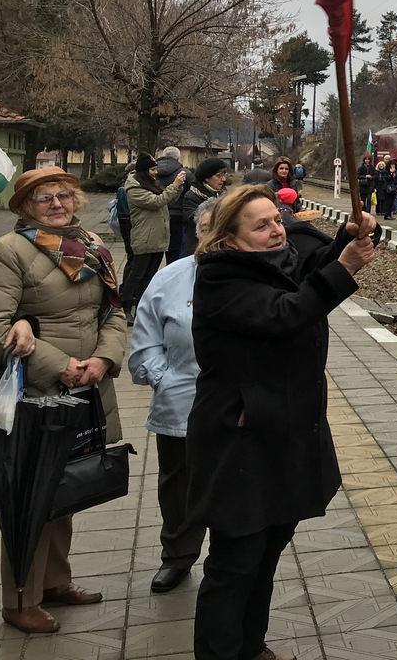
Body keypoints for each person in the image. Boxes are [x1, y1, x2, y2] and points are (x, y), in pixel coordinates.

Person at [188, 185, 377, 660]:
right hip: (241, 441)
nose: (277, 230)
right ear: (229, 239)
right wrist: (347, 266)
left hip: (285, 435)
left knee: (267, 553)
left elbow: (307, 276)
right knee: (235, 563)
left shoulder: (278, 261)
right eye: (262, 225)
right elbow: (285, 313)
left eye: (277, 219)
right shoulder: (220, 278)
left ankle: (252, 647)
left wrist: (343, 241)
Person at [0, 167, 129, 634]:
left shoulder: (88, 244)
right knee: (30, 495)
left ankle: (55, 582)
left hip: (87, 386)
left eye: (64, 194)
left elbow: (113, 311)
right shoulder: (9, 251)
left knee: (65, 489)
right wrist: (60, 365)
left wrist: (103, 359)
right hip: (37, 395)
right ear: (24, 207)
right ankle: (19, 600)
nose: (57, 204)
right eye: (43, 198)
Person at [129, 195, 219, 594]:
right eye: (205, 230)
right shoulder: (170, 277)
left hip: (240, 408)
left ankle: (228, 558)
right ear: (196, 232)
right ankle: (178, 556)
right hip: (180, 401)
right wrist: (163, 378)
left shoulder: (258, 278)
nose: (213, 239)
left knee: (232, 484)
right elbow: (145, 340)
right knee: (177, 485)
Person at [122, 154, 187, 320]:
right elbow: (157, 201)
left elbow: (167, 201)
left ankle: (142, 307)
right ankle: (125, 306)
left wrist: (177, 188)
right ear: (144, 171)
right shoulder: (134, 189)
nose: (155, 173)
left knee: (150, 276)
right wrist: (174, 185)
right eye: (152, 169)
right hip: (145, 237)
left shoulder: (151, 184)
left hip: (159, 237)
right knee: (137, 275)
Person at [181, 157, 228, 256]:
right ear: (206, 177)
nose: (223, 179)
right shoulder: (191, 196)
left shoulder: (225, 195)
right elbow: (195, 220)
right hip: (198, 248)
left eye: (224, 175)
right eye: (219, 176)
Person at [157, 147, 186, 263]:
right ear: (178, 157)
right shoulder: (184, 173)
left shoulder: (153, 172)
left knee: (156, 252)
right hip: (178, 215)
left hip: (157, 215)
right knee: (176, 250)